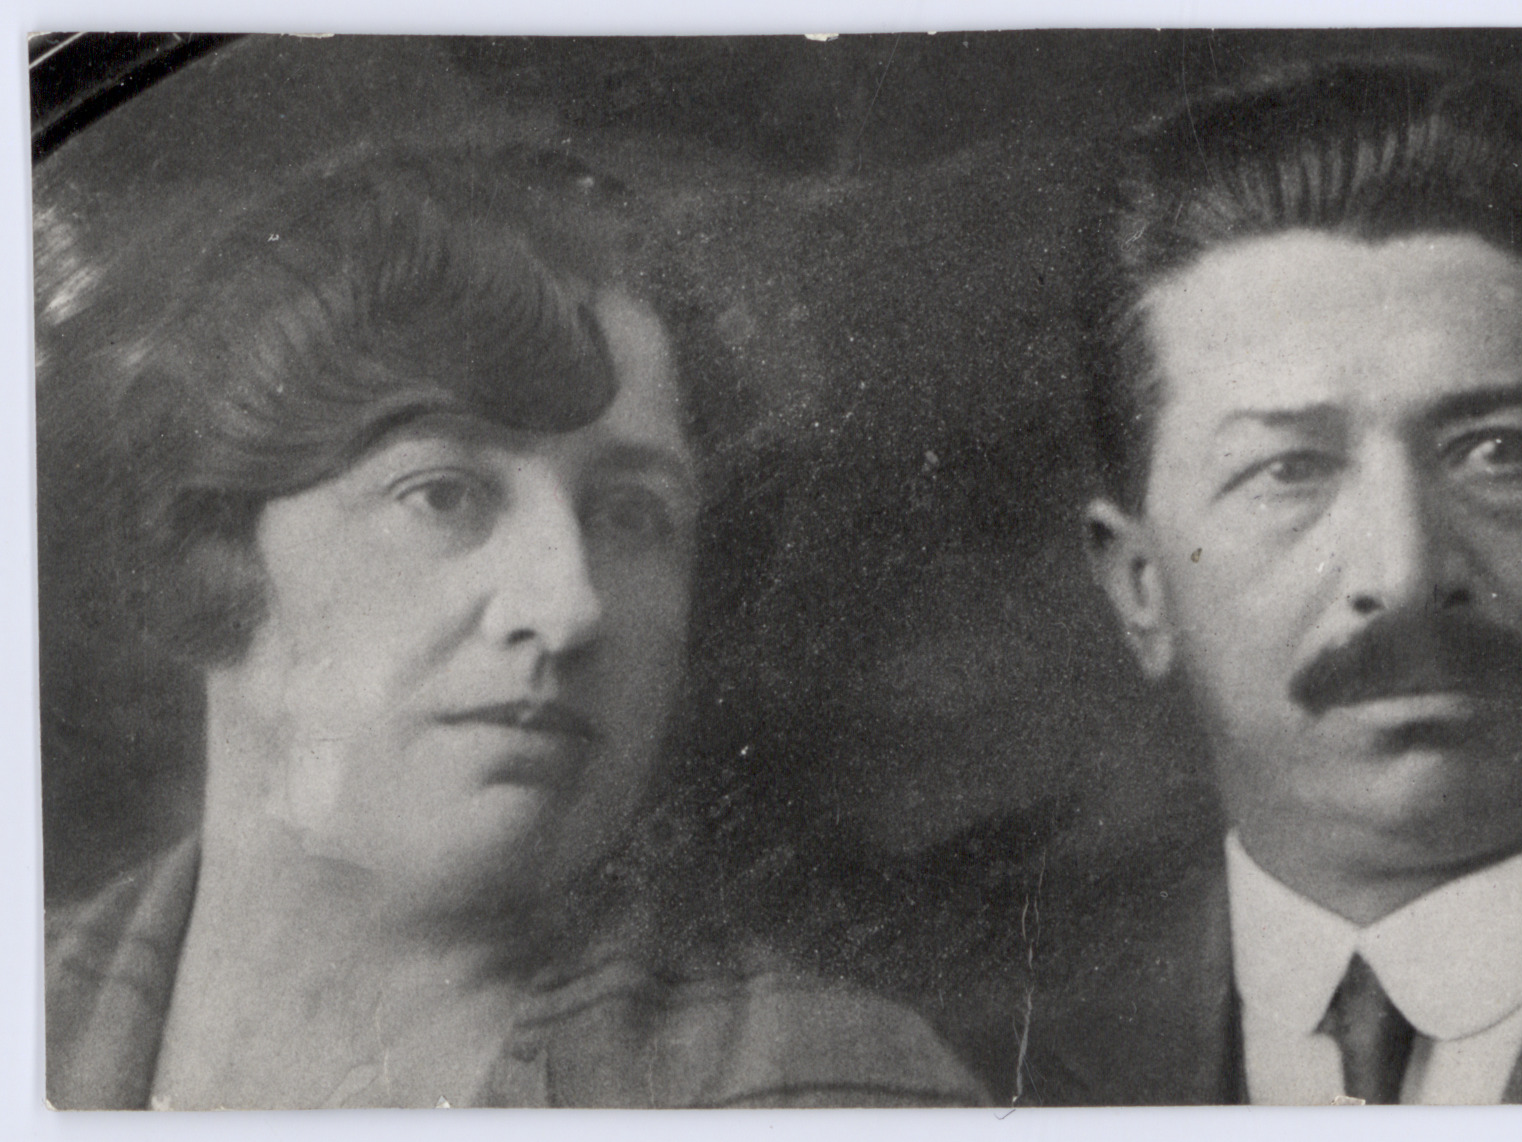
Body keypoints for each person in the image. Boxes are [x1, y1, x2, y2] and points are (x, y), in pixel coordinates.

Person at [41, 145, 989, 1109]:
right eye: (444, 494)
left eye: (633, 514)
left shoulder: (825, 1095)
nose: (569, 606)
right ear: (211, 539)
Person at [1016, 61, 1522, 1104]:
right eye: (1286, 469)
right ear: (1139, 586)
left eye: (1497, 454)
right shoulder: (1001, 1075)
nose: (1402, 574)